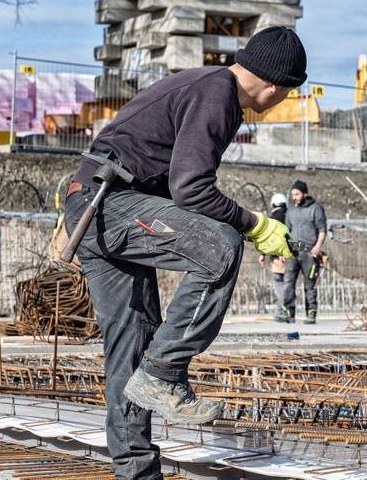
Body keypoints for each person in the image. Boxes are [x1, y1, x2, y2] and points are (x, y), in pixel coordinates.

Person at [63, 26, 306, 480]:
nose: (284, 101)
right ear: (275, 86)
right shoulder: (219, 93)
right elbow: (191, 190)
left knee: (131, 345)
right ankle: (164, 372)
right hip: (110, 203)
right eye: (289, 94)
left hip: (93, 205)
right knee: (220, 245)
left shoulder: (210, 85)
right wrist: (255, 224)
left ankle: (136, 472)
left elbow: (179, 187)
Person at [279, 180, 327, 324]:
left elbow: (322, 229)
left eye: (297, 194)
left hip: (309, 251)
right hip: (293, 250)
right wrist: (282, 251)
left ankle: (311, 315)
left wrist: (318, 246)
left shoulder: (316, 209)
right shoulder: (291, 210)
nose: (294, 197)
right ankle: (289, 314)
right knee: (288, 283)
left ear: (305, 193)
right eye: (293, 195)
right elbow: (285, 232)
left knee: (310, 284)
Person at [259, 193, 289, 313]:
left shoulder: (272, 218)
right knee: (289, 284)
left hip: (277, 257)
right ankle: (289, 310)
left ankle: (282, 310)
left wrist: (263, 254)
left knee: (279, 283)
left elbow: (266, 237)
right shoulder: (291, 214)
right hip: (292, 255)